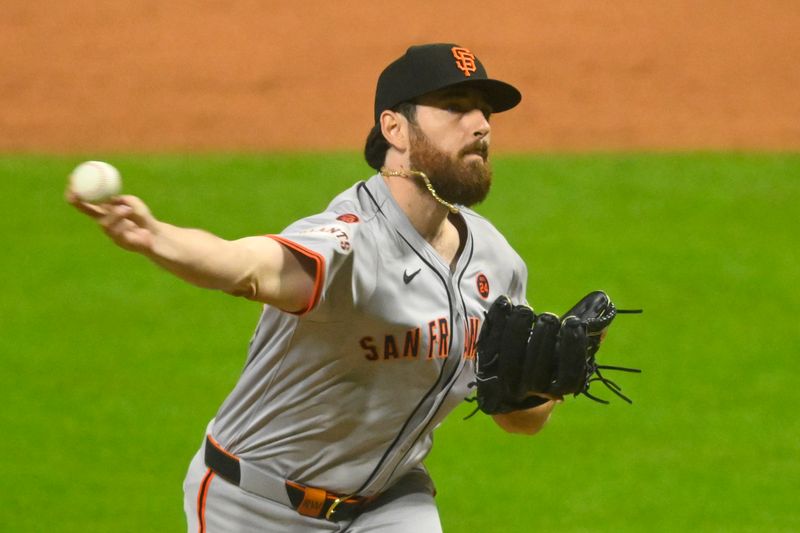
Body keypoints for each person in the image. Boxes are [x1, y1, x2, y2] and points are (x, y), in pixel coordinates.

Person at [68, 43, 558, 532]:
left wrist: (544, 383)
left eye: (485, 111)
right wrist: (155, 236)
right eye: (455, 108)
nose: (481, 125)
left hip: (390, 504)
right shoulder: (351, 240)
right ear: (395, 129)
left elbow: (520, 420)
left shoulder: (496, 262)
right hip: (253, 506)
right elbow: (246, 266)